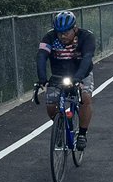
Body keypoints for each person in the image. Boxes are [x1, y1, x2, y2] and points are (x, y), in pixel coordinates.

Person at [36, 9, 95, 150]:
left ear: (75, 28)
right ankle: (61, 126)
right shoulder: (49, 37)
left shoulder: (86, 37)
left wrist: (79, 78)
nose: (62, 36)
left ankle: (81, 134)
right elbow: (41, 57)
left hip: (81, 74)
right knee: (51, 105)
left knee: (85, 99)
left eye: (66, 32)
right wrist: (42, 79)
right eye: (59, 32)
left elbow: (87, 58)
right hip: (58, 75)